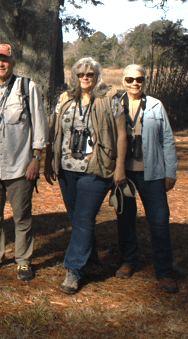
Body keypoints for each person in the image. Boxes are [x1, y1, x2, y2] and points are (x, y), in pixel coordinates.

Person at [44, 57, 127, 294]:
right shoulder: (65, 99)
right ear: (74, 76)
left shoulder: (110, 100)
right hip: (67, 169)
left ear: (97, 76)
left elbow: (122, 135)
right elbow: (54, 129)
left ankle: (73, 270)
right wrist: (50, 161)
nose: (85, 78)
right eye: (81, 74)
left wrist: (119, 166)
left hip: (96, 168)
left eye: (90, 74)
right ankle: (91, 262)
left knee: (83, 219)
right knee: (77, 219)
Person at [0, 44, 47, 281]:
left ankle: (23, 260)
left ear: (13, 62)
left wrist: (36, 158)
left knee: (21, 216)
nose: (1, 64)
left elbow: (40, 125)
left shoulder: (27, 88)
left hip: (19, 165)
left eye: (5, 60)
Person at [114, 64, 178, 293]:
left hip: (152, 173)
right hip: (124, 173)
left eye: (139, 79)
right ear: (123, 81)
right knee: (125, 219)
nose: (134, 83)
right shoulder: (114, 104)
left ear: (144, 81)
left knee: (159, 221)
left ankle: (164, 271)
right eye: (130, 79)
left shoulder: (155, 105)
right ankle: (128, 262)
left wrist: (170, 172)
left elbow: (168, 140)